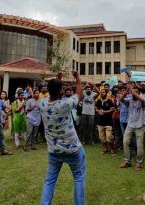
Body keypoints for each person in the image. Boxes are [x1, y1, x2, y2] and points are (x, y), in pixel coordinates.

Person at [39, 71, 85, 205]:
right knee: (79, 178)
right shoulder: (65, 104)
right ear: (60, 91)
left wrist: (57, 80)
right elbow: (79, 94)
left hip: (54, 151)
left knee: (50, 180)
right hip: (73, 150)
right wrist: (77, 78)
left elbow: (51, 93)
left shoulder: (42, 104)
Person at [119, 85, 145, 171]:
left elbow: (142, 100)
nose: (133, 93)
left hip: (139, 126)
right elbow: (120, 99)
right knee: (125, 142)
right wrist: (127, 90)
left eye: (135, 91)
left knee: (139, 146)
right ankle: (127, 161)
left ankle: (138, 163)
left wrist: (132, 91)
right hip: (130, 125)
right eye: (132, 91)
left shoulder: (142, 100)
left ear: (138, 93)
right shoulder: (129, 100)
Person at [95, 89, 115, 155]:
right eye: (101, 92)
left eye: (103, 92)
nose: (102, 93)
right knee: (102, 138)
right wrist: (98, 111)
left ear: (106, 93)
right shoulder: (98, 101)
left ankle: (112, 149)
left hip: (108, 122)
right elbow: (96, 108)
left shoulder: (109, 101)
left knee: (109, 138)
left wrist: (104, 112)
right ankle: (105, 149)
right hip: (100, 122)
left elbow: (112, 109)